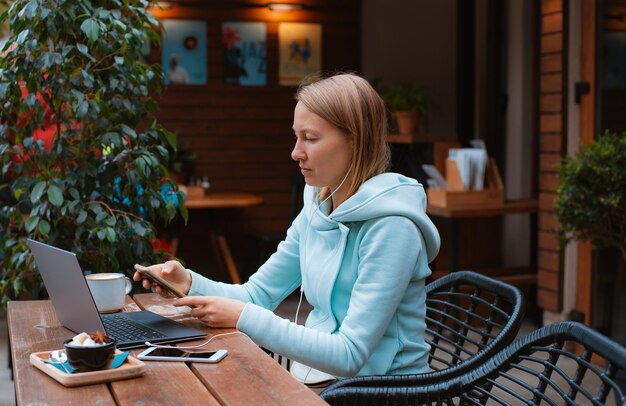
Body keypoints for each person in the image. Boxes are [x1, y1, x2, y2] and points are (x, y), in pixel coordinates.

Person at [133, 73, 440, 385]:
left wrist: (244, 317)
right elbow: (257, 294)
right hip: (320, 382)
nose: (296, 152)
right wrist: (188, 282)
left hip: (387, 397)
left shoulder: (392, 227)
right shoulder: (317, 208)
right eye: (296, 136)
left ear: (355, 139)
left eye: (311, 138)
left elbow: (350, 353)